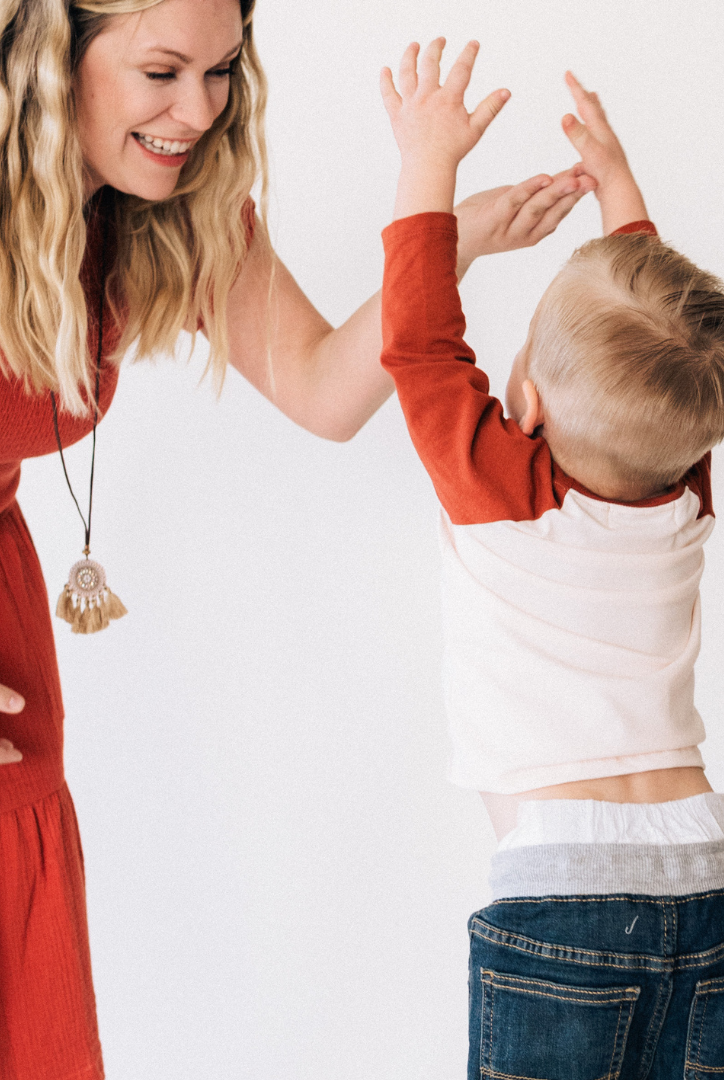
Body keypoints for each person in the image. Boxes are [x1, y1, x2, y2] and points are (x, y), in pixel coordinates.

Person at [0, 3, 591, 1078]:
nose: (197, 112)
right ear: (55, 51)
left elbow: (324, 389)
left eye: (223, 72)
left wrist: (444, 237)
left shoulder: (174, 199)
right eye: (162, 71)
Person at [378, 37, 724, 1074]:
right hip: (705, 875)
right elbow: (678, 367)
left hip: (564, 897)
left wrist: (426, 158)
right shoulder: (683, 499)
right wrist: (625, 197)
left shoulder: (502, 490)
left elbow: (419, 343)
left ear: (523, 403)